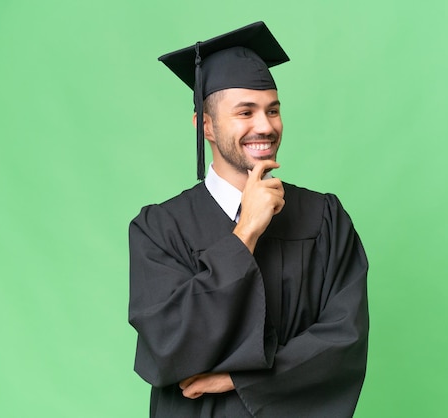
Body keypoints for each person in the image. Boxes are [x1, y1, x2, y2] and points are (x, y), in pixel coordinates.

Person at [128, 21, 369, 417]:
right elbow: (169, 345)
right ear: (205, 126)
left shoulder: (324, 218)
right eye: (246, 112)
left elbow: (345, 339)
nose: (265, 126)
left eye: (272, 110)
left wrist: (239, 379)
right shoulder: (159, 229)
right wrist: (246, 232)